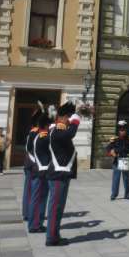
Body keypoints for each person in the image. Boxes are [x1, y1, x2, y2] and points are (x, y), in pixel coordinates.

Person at [46, 101, 80, 246]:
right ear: (63, 117)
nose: (69, 121)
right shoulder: (58, 131)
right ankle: (51, 238)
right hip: (59, 175)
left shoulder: (58, 130)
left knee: (59, 207)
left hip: (62, 174)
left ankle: (55, 235)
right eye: (68, 118)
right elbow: (70, 134)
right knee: (56, 207)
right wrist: (76, 119)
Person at [28, 108, 51, 233]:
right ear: (46, 125)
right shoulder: (44, 136)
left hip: (38, 170)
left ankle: (36, 223)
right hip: (42, 171)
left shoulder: (38, 135)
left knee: (38, 198)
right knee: (39, 199)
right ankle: (35, 225)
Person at [106, 121, 129, 200]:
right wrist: (111, 152)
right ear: (118, 130)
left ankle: (127, 194)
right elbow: (108, 148)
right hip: (117, 160)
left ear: (126, 130)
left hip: (126, 160)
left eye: (123, 129)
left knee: (126, 178)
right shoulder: (115, 139)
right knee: (116, 178)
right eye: (120, 129)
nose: (122, 131)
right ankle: (114, 194)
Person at [22, 105, 43, 221]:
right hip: (34, 164)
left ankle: (27, 212)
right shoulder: (36, 132)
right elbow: (33, 149)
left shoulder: (31, 131)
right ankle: (30, 213)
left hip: (29, 163)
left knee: (28, 189)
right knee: (33, 190)